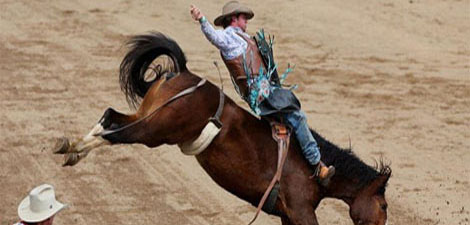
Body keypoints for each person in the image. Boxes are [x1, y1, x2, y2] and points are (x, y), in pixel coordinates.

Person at [190, 1, 335, 185]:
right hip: (262, 95)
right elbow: (214, 38)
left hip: (266, 90)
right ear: (233, 19)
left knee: (286, 121)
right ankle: (316, 164)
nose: (246, 21)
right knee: (297, 118)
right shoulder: (228, 37)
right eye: (243, 17)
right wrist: (202, 19)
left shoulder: (242, 37)